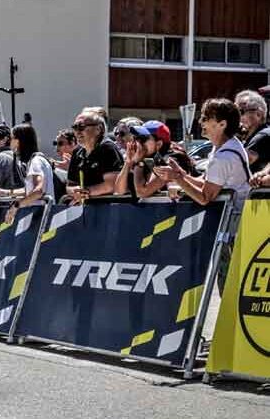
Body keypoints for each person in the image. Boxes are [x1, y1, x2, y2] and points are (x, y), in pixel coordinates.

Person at [156, 99, 251, 294]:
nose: (201, 122)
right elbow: (206, 183)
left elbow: (205, 197)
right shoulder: (225, 147)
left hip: (234, 228)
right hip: (232, 225)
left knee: (229, 286)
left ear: (222, 124)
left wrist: (178, 179)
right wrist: (181, 176)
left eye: (206, 118)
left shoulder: (225, 156)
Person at [115, 121, 195, 199]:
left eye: (143, 139)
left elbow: (142, 192)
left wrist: (139, 163)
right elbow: (119, 191)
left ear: (159, 144)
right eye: (137, 138)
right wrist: (128, 163)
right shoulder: (146, 157)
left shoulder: (171, 159)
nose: (138, 142)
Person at [67, 109, 123, 204]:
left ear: (99, 129)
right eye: (75, 127)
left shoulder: (107, 148)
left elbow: (111, 185)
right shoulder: (77, 152)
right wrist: (73, 191)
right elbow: (70, 185)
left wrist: (86, 192)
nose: (77, 131)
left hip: (108, 208)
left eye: (81, 127)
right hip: (85, 209)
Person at [3, 124, 54, 224]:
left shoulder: (36, 161)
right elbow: (30, 190)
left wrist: (16, 206)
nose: (9, 142)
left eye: (11, 138)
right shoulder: (34, 161)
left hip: (39, 219)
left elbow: (38, 191)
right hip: (38, 218)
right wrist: (3, 192)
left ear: (18, 141)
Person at [235, 90, 270, 174]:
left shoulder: (263, 135)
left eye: (240, 112)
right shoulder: (254, 135)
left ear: (258, 114)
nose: (236, 117)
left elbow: (234, 162)